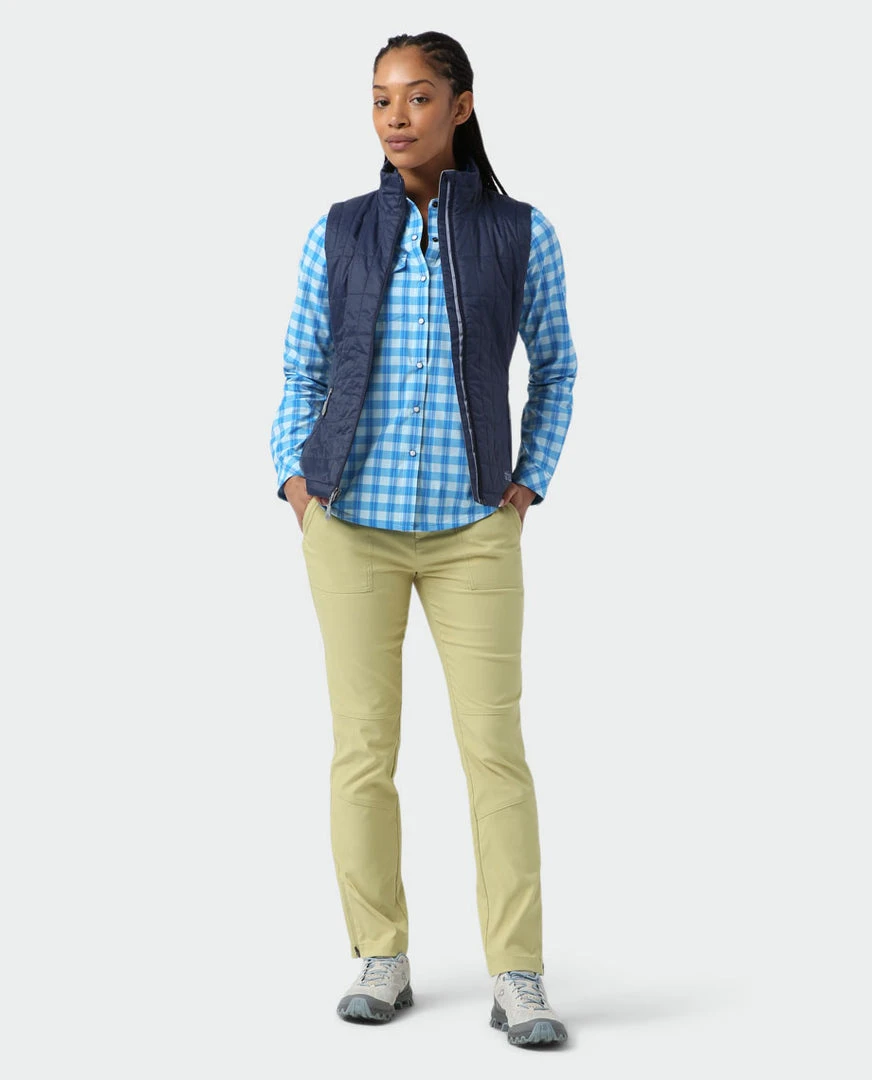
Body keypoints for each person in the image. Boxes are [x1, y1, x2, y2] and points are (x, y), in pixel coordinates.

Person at [270, 30, 578, 1048]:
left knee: (495, 753)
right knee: (362, 751)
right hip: (349, 528)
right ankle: (381, 954)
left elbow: (557, 367)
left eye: (415, 96)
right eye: (379, 99)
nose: (395, 116)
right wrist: (297, 483)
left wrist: (526, 482)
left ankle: (518, 975)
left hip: (471, 530)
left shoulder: (520, 232)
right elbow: (301, 370)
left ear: (460, 105)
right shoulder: (338, 230)